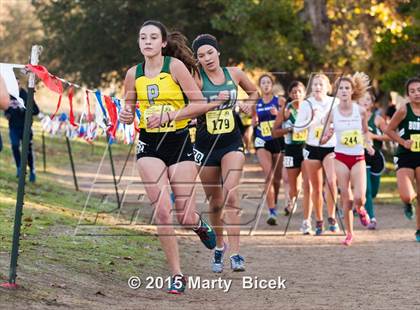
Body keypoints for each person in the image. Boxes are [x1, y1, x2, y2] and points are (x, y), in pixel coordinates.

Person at [119, 20, 224, 294]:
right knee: (163, 211)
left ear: (163, 43)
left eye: (154, 37)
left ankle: (198, 225)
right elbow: (128, 109)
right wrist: (126, 114)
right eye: (143, 37)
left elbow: (199, 104)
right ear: (139, 42)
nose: (148, 41)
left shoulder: (174, 68)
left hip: (179, 142)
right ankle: (177, 274)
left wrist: (168, 115)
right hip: (149, 144)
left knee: (184, 215)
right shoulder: (134, 74)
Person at [191, 33, 258, 273]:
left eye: (210, 52)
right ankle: (220, 246)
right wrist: (209, 104)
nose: (207, 58)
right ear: (197, 59)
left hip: (231, 143)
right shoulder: (196, 79)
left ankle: (237, 253)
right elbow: (190, 106)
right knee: (215, 202)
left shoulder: (235, 74)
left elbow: (254, 92)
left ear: (218, 52)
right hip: (205, 146)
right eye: (201, 55)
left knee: (231, 195)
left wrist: (249, 103)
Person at [321, 73, 374, 245]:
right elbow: (327, 131)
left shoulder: (360, 111)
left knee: (360, 197)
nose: (343, 91)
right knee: (346, 196)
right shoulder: (333, 112)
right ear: (336, 91)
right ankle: (349, 233)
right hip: (341, 157)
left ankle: (361, 209)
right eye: (341, 88)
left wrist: (369, 144)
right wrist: (326, 137)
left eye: (347, 88)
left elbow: (365, 131)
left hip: (358, 157)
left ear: (352, 91)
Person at [294, 74, 339, 235]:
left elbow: (342, 122)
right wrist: (312, 119)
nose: (317, 87)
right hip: (313, 147)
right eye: (314, 85)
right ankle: (319, 220)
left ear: (327, 87)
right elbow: (297, 128)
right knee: (316, 187)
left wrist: (334, 127)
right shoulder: (307, 104)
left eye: (321, 84)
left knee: (332, 181)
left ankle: (332, 217)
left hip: (331, 147)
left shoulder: (335, 102)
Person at [272, 81, 313, 234]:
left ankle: (306, 219)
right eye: (294, 92)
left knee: (307, 181)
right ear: (290, 95)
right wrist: (288, 129)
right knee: (292, 184)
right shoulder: (286, 110)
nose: (296, 94)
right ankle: (293, 198)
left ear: (304, 94)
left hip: (307, 148)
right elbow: (274, 132)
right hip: (290, 149)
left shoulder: (309, 109)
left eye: (299, 91)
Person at [384, 77, 420, 242]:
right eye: (412, 91)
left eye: (419, 90)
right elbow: (389, 130)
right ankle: (407, 203)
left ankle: (419, 230)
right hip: (405, 155)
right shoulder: (404, 110)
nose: (416, 94)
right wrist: (403, 142)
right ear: (407, 94)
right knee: (407, 195)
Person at [253, 74, 284, 225]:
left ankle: (275, 202)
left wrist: (278, 115)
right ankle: (271, 211)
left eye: (268, 82)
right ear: (260, 85)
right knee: (269, 175)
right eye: (263, 82)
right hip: (261, 141)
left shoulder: (279, 101)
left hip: (277, 140)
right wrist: (254, 122)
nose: (265, 85)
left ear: (272, 85)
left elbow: (288, 119)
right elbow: (253, 120)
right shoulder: (256, 103)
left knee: (277, 179)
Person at [357, 90, 388, 229]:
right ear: (357, 101)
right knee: (367, 190)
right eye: (362, 99)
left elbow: (389, 135)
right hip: (360, 157)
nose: (365, 101)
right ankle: (371, 218)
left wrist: (374, 136)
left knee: (373, 191)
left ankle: (359, 205)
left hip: (375, 158)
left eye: (368, 99)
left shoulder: (377, 119)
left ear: (372, 103)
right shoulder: (352, 117)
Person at [4, 78, 39, 182]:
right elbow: (6, 109)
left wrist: (25, 111)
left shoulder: (26, 95)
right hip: (13, 127)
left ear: (19, 84)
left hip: (26, 127)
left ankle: (32, 170)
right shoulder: (9, 95)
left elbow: (36, 111)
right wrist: (7, 114)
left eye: (17, 83)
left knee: (27, 150)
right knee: (15, 146)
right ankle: (19, 167)